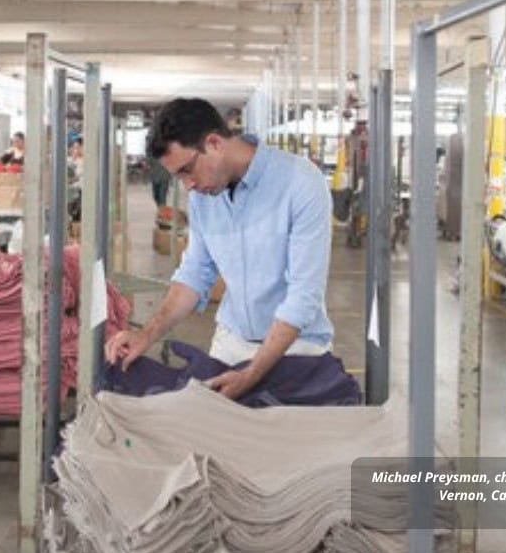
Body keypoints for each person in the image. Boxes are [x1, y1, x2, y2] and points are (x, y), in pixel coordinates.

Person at [104, 98, 336, 400]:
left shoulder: (301, 183)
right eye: (179, 177)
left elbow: (303, 296)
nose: (187, 186)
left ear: (213, 143)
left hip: (298, 347)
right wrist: (145, 336)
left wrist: (250, 375)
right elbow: (194, 273)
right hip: (232, 341)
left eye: (188, 170)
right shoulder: (204, 195)